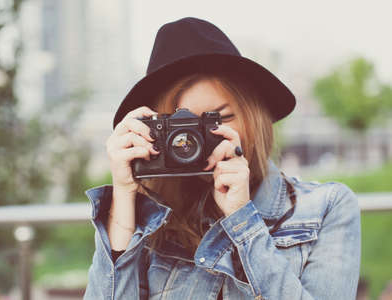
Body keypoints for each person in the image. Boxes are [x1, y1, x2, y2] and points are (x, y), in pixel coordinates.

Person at [83, 17, 361, 300]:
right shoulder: (151, 222)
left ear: (253, 117)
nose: (195, 142)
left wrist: (243, 220)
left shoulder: (327, 207)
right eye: (180, 130)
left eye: (218, 119)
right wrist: (123, 205)